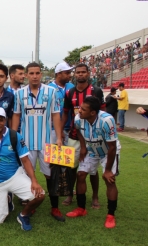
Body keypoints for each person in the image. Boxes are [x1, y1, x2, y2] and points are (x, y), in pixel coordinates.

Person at [0, 107, 45, 230]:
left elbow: (25, 160)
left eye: (0, 120)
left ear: (5, 120)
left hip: (14, 176)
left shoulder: (15, 136)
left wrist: (34, 181)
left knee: (40, 195)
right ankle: (8, 199)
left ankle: (23, 214)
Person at [12, 62, 63, 222]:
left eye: (37, 73)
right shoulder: (19, 94)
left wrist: (59, 138)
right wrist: (14, 138)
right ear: (26, 75)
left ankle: (55, 207)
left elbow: (56, 115)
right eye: (31, 73)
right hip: (26, 144)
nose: (34, 76)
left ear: (41, 74)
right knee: (28, 176)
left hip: (47, 142)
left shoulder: (52, 92)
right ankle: (31, 205)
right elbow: (16, 116)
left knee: (51, 176)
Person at [66, 97, 120, 229]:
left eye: (83, 109)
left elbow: (112, 147)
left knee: (109, 180)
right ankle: (81, 209)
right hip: (91, 150)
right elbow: (78, 131)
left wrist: (107, 170)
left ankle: (110, 215)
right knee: (80, 175)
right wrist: (83, 147)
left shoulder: (107, 120)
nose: (79, 111)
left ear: (93, 113)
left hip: (109, 152)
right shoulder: (78, 118)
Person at [61, 64, 105, 210]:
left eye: (83, 72)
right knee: (71, 167)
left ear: (88, 74)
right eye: (78, 72)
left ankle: (95, 196)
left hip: (93, 136)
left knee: (92, 169)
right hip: (74, 135)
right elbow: (66, 113)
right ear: (75, 74)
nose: (80, 74)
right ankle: (70, 194)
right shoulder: (70, 92)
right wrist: (61, 130)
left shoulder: (96, 91)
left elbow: (103, 113)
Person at [47, 62, 75, 207]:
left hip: (71, 128)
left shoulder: (71, 88)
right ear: (59, 74)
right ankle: (56, 186)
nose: (70, 75)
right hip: (53, 129)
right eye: (67, 72)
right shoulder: (49, 88)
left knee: (68, 160)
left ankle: (67, 187)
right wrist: (59, 131)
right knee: (55, 160)